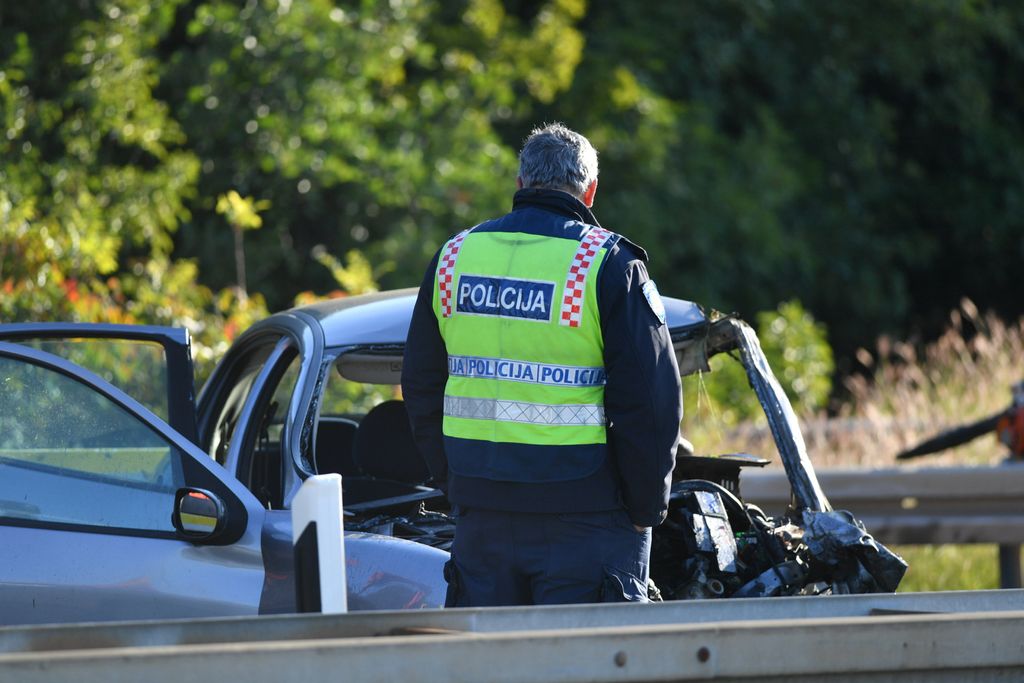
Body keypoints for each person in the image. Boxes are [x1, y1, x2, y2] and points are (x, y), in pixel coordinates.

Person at [401, 122, 683, 606]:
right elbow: (650, 402)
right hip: (586, 519)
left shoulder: (454, 257)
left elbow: (421, 383)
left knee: (486, 652)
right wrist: (645, 509)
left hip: (481, 516)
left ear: (520, 183)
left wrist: (456, 482)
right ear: (590, 191)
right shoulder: (607, 263)